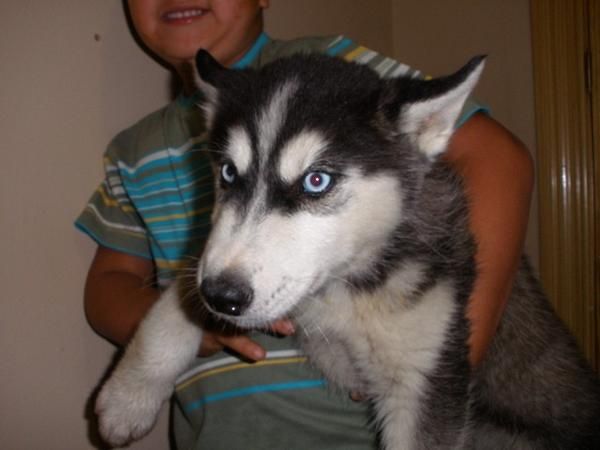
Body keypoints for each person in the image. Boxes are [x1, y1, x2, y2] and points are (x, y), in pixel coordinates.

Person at [78, 0, 534, 448]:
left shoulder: (342, 71)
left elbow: (499, 160)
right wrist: (163, 352)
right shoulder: (136, 148)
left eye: (316, 181)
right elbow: (111, 285)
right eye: (228, 174)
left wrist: (443, 357)